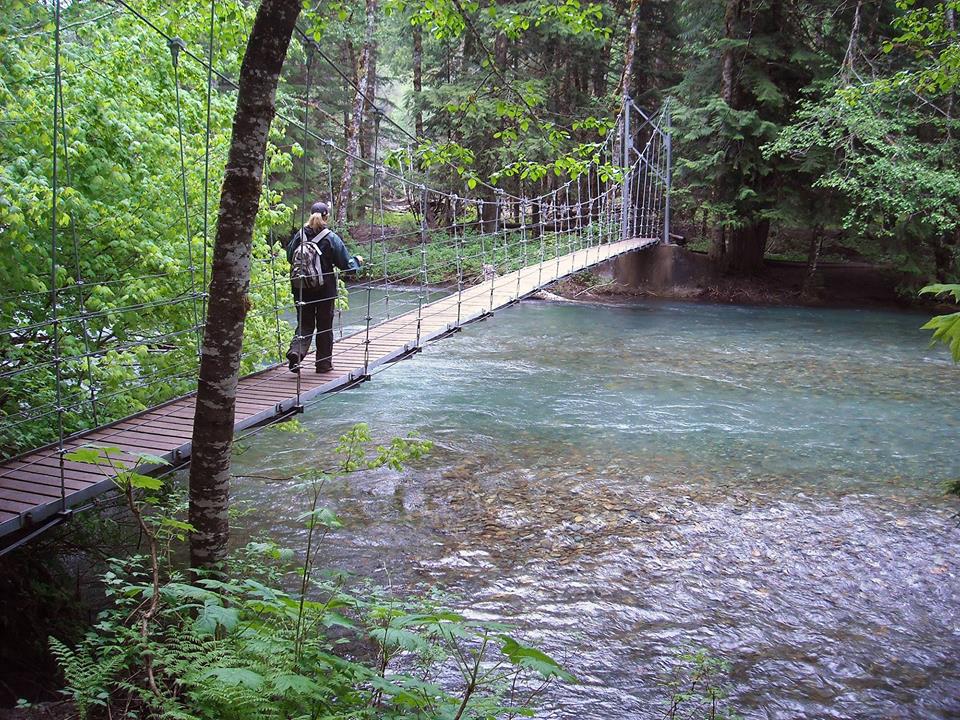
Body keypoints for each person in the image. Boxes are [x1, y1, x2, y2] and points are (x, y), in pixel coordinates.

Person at [286, 201, 363, 373]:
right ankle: (323, 364)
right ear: (326, 216)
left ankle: (296, 352)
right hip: (324, 290)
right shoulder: (330, 237)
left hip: (301, 288)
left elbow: (289, 257)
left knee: (304, 324)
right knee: (324, 326)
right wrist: (357, 261)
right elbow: (347, 266)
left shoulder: (299, 235)